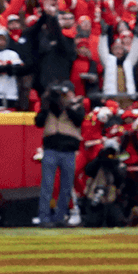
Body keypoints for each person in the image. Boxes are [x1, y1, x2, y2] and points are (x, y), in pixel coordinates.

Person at [35, 83, 86, 227]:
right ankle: (44, 217)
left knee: (66, 186)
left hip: (69, 150)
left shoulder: (77, 106)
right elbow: (38, 122)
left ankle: (60, 216)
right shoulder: (49, 106)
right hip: (51, 148)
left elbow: (78, 119)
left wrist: (68, 104)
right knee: (47, 185)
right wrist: (47, 103)